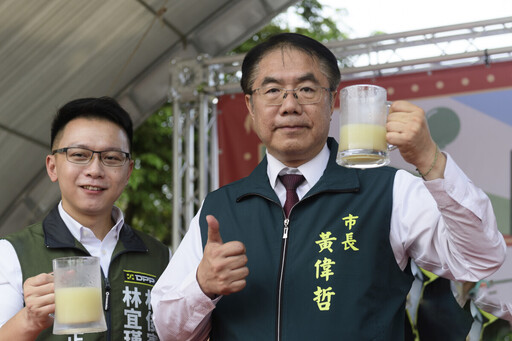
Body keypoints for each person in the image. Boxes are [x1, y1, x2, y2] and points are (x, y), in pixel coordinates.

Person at [151, 33, 506, 340]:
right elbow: (169, 331)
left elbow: (479, 260)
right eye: (272, 90)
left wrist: (430, 160)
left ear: (332, 100)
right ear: (251, 105)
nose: (289, 105)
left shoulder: (390, 190)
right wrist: (201, 287)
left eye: (306, 89)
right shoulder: (221, 207)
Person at [0, 97, 171, 340]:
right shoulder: (12, 254)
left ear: (128, 171)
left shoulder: (160, 257)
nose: (95, 170)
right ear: (52, 167)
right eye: (79, 154)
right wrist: (29, 319)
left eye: (111, 157)